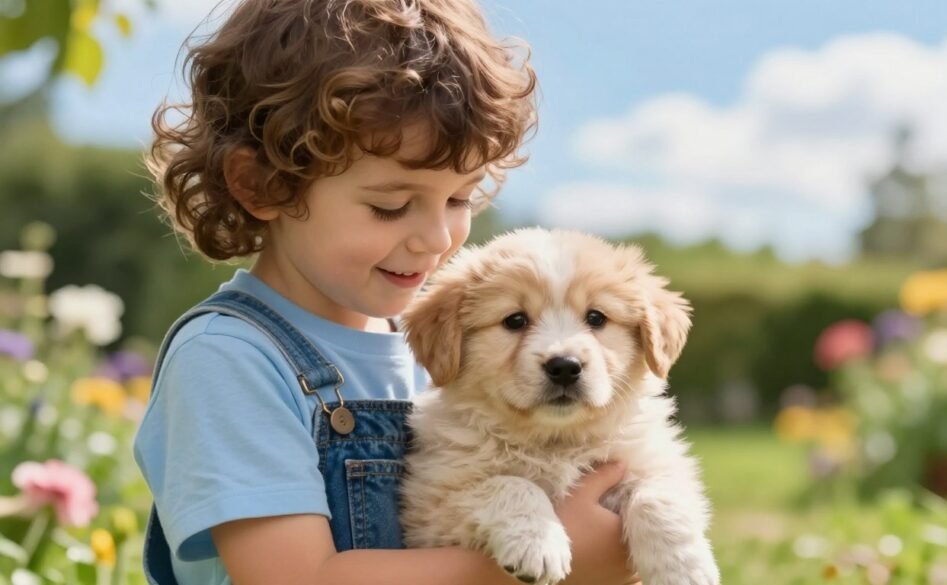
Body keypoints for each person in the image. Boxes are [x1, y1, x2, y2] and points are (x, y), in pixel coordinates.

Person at [133, 1, 639, 584]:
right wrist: (535, 565)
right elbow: (296, 578)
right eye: (390, 206)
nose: (436, 238)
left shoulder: (435, 344)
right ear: (260, 185)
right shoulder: (229, 360)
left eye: (460, 200)